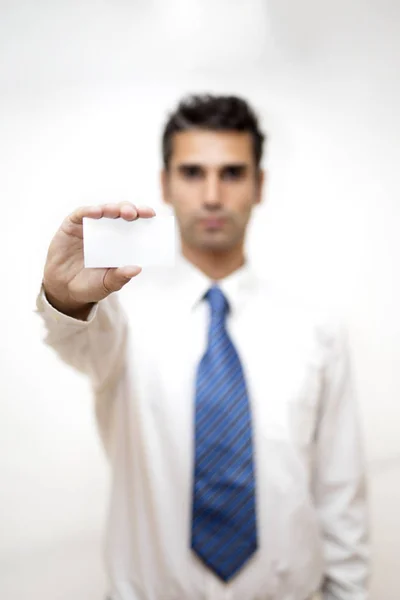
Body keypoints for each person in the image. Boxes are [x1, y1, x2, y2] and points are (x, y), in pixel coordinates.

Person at [36, 94, 369, 600]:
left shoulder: (315, 327)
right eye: (192, 173)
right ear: (165, 184)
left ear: (260, 186)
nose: (212, 195)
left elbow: (340, 496)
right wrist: (64, 296)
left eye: (232, 173)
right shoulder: (120, 313)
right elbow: (76, 340)